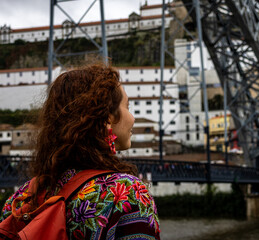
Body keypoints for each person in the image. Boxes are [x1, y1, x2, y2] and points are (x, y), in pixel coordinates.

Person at [0, 64, 160, 239]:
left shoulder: (20, 199)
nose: (133, 118)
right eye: (127, 107)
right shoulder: (125, 193)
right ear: (107, 117)